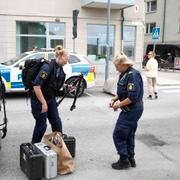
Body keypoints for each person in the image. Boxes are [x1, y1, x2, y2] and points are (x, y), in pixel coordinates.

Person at [30, 45, 72, 143]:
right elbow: (36, 86)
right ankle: (34, 146)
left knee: (56, 121)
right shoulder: (47, 67)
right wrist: (43, 103)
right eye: (66, 59)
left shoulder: (59, 68)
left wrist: (66, 86)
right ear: (60, 57)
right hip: (39, 100)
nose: (67, 61)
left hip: (50, 98)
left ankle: (58, 144)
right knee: (42, 124)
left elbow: (53, 82)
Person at [109, 54, 144, 170]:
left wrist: (118, 105)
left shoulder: (133, 75)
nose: (116, 69)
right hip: (131, 109)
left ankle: (124, 160)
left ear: (124, 64)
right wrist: (113, 99)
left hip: (132, 110)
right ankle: (130, 159)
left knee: (118, 134)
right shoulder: (124, 74)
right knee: (128, 134)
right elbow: (122, 92)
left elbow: (132, 97)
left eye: (117, 66)